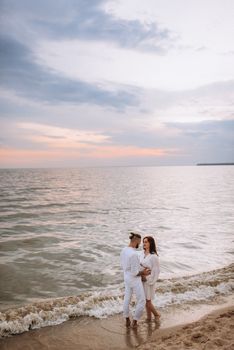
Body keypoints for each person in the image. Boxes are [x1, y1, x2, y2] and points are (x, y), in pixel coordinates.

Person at [120, 232, 151, 328]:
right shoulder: (133, 254)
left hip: (126, 277)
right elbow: (134, 272)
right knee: (142, 300)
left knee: (127, 298)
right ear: (136, 241)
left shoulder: (124, 250)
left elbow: (127, 266)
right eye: (139, 242)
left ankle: (127, 320)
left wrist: (140, 266)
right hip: (134, 279)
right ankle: (135, 322)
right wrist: (144, 273)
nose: (140, 244)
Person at [140, 236, 160, 321]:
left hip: (148, 280)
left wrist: (148, 279)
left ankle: (157, 315)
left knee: (147, 301)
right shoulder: (142, 253)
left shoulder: (153, 256)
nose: (144, 243)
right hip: (141, 279)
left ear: (150, 243)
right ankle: (149, 318)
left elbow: (156, 271)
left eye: (146, 242)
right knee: (145, 300)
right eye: (143, 242)